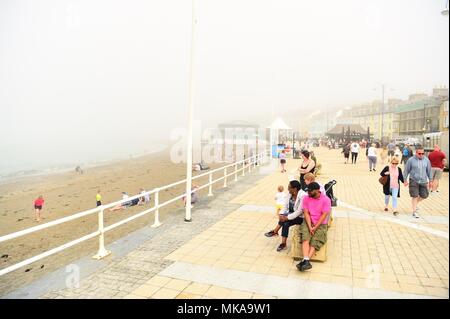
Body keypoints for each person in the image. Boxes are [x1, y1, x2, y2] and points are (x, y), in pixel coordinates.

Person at [296, 182, 331, 272]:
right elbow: (306, 213)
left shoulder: (326, 200)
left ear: (317, 190)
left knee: (316, 240)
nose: (308, 193)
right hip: (308, 221)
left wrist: (315, 227)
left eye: (311, 191)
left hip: (321, 223)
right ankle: (306, 260)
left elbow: (324, 215)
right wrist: (309, 225)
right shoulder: (306, 198)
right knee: (305, 237)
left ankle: (305, 261)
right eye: (308, 191)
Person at [264, 180, 305, 252]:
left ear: (295, 189)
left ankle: (275, 231)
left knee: (285, 220)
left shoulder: (303, 196)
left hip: (300, 217)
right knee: (285, 223)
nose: (288, 189)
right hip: (290, 214)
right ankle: (283, 243)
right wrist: (281, 214)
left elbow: (299, 211)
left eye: (289, 187)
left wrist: (287, 217)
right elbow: (285, 206)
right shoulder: (289, 194)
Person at [403, 147, 432, 218]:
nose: (421, 155)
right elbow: (406, 170)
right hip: (413, 180)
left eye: (423, 153)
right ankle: (414, 211)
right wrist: (405, 180)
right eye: (419, 153)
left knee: (424, 195)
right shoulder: (411, 160)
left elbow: (429, 171)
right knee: (415, 196)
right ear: (416, 153)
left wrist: (430, 180)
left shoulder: (426, 160)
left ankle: (415, 204)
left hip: (424, 181)